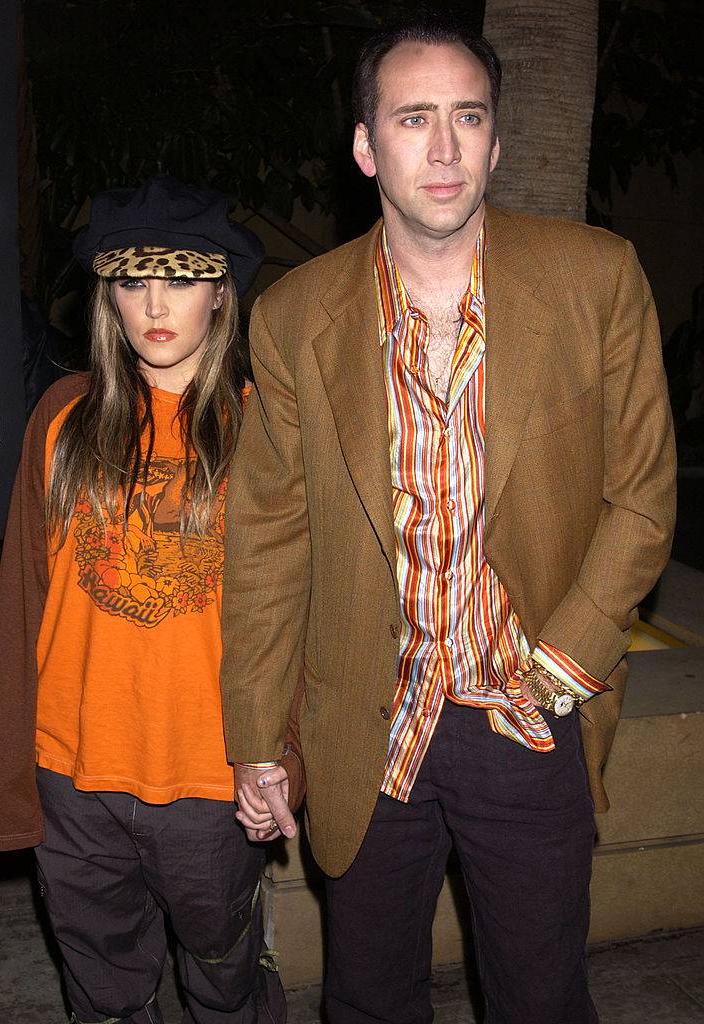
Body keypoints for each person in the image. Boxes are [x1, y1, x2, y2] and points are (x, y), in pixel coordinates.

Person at [219, 15, 677, 1024]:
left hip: (524, 712)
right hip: (363, 726)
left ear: (495, 140)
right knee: (366, 1000)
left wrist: (561, 663)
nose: (440, 148)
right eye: (411, 117)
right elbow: (267, 540)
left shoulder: (593, 279)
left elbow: (640, 496)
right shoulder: (294, 315)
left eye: (465, 118)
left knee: (539, 996)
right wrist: (258, 736)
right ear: (363, 143)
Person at [0, 175, 304, 1024]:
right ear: (106, 295)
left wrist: (286, 756)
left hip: (210, 777)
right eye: (132, 280)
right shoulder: (60, 418)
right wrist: (9, 769)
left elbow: (295, 622)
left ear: (220, 292)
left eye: (181, 277)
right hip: (72, 778)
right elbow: (24, 607)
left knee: (225, 981)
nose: (155, 304)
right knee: (105, 995)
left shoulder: (264, 429)